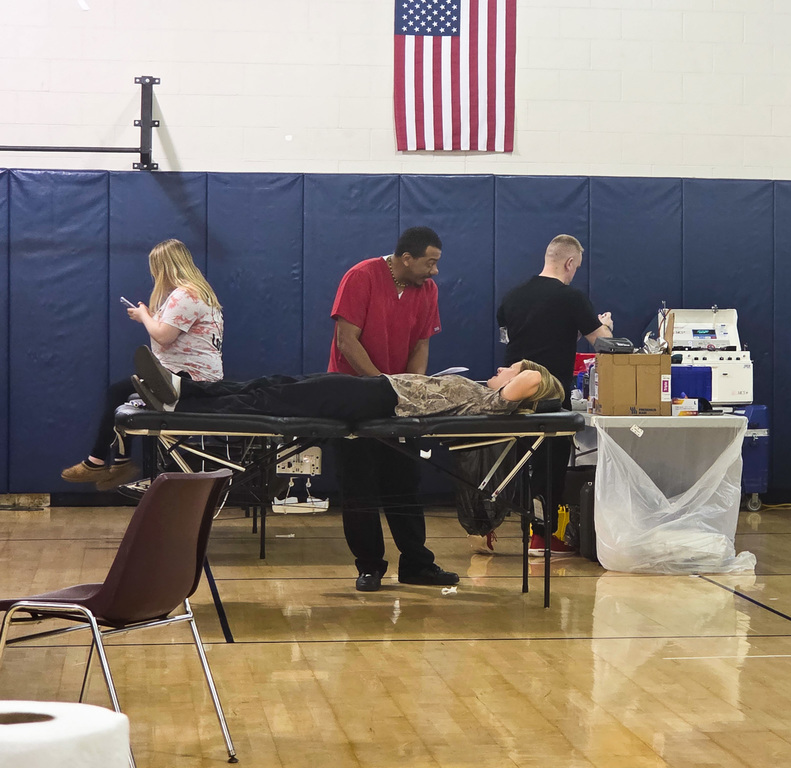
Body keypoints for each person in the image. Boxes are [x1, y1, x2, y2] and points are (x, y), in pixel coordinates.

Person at [327, 226, 453, 592]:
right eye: (429, 263)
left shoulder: (428, 290)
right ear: (406, 258)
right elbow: (346, 341)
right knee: (359, 487)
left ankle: (416, 564)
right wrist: (382, 385)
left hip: (397, 398)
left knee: (405, 484)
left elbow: (421, 344)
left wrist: (411, 390)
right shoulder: (360, 276)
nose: (435, 271)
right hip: (355, 394)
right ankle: (369, 567)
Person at [61, 238, 224, 491]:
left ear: (163, 267)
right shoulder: (197, 293)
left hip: (186, 378)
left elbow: (163, 336)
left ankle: (99, 462)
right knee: (123, 395)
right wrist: (149, 316)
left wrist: (144, 316)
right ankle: (114, 462)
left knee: (118, 392)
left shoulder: (185, 294)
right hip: (188, 375)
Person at [494, 234, 613, 556]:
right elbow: (605, 346)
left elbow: (525, 339)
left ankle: (488, 527)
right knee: (551, 464)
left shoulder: (511, 298)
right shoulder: (571, 298)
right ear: (570, 263)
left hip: (512, 395)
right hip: (549, 396)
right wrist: (606, 325)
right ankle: (542, 536)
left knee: (513, 465)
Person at [131, 348, 562, 422]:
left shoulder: (493, 401)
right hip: (376, 388)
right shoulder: (486, 394)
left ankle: (180, 408)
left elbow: (535, 379)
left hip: (379, 398)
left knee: (272, 400)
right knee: (273, 383)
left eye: (511, 368)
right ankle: (182, 390)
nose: (504, 370)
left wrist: (530, 373)